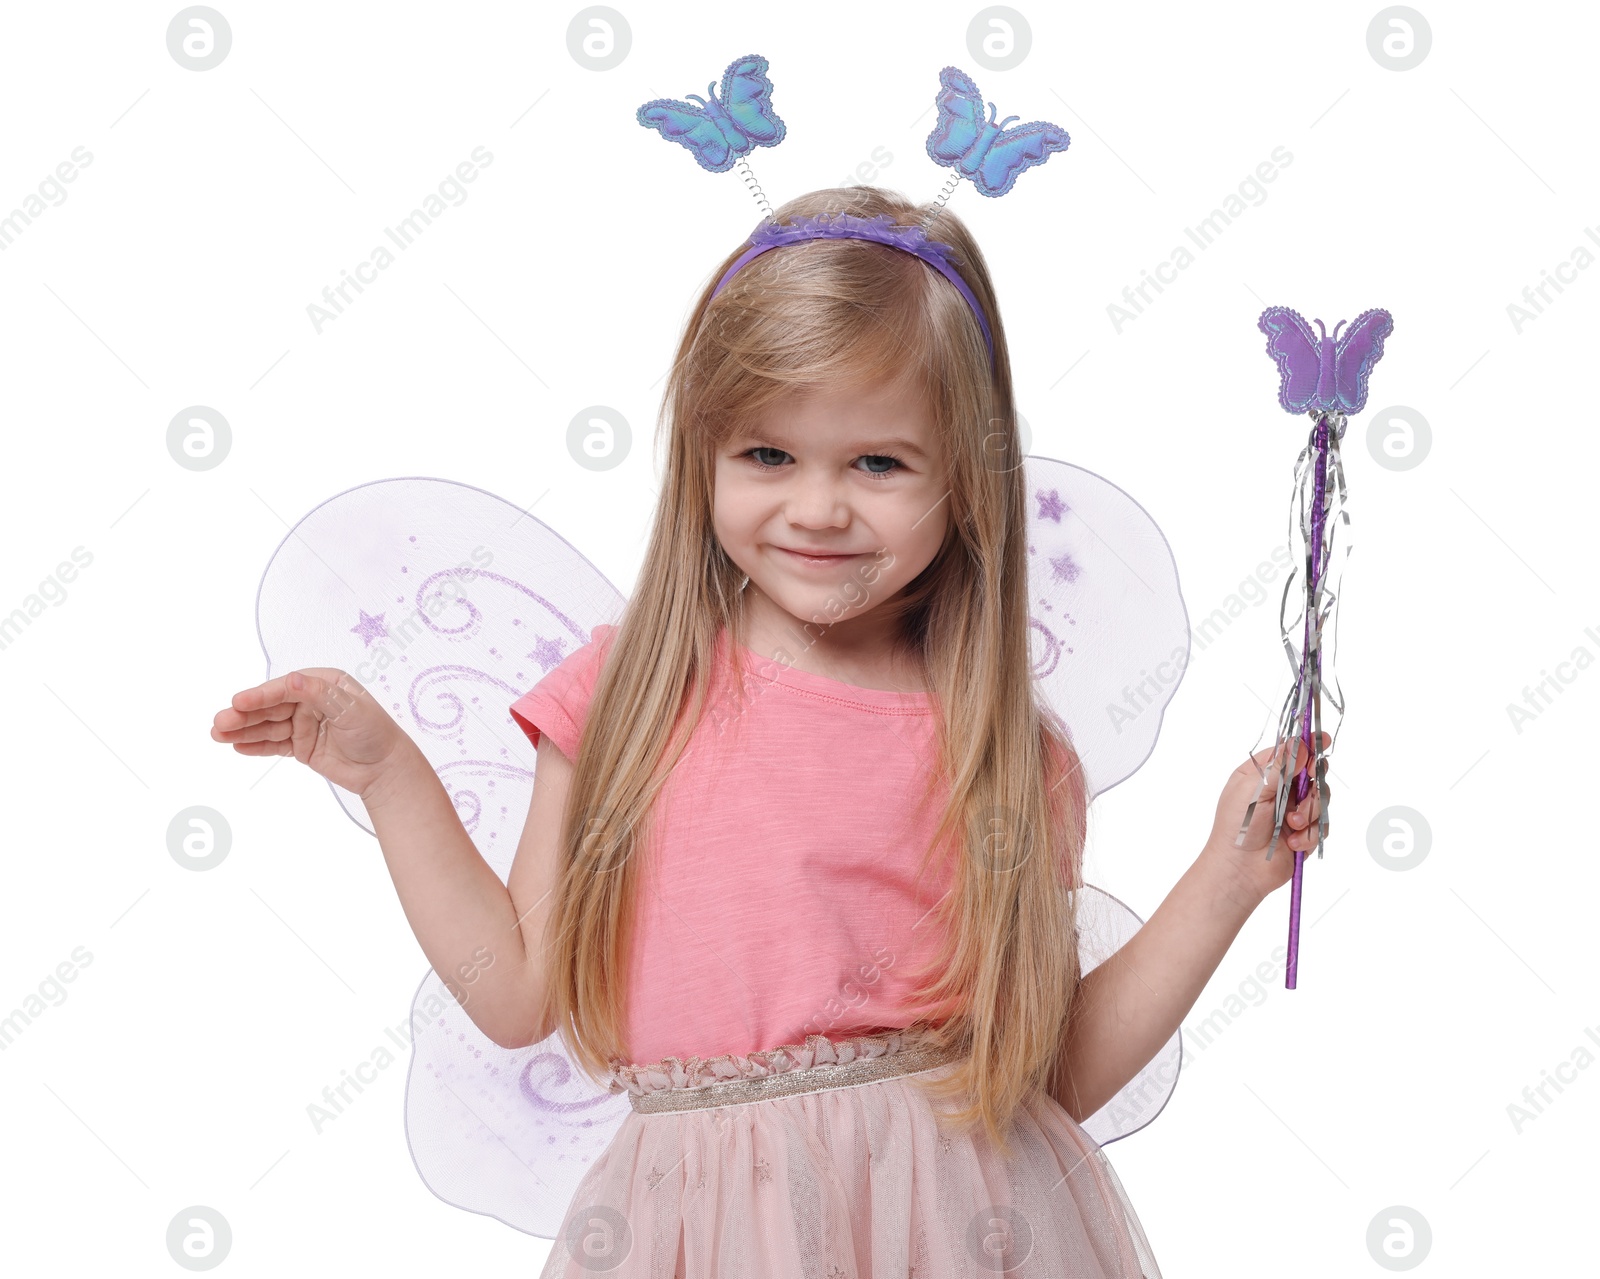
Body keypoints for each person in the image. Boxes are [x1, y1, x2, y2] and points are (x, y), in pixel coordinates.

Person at [211, 185, 1326, 1277]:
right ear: (702, 455)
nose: (817, 508)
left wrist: (1227, 877)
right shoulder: (624, 697)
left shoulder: (1003, 753)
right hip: (699, 1233)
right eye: (768, 456)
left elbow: (1048, 1077)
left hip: (953, 1227)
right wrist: (387, 773)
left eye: (879, 463)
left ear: (968, 478)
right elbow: (512, 991)